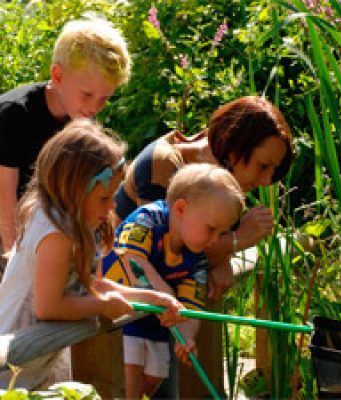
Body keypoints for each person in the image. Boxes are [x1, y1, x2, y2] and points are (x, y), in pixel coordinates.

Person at [0, 119, 184, 390]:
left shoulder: (80, 225)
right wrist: (102, 305)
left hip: (43, 357)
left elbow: (90, 287)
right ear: (72, 190)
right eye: (103, 198)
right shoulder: (55, 232)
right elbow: (48, 306)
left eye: (113, 196)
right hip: (13, 366)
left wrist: (151, 297)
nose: (112, 206)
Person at [114, 96, 293, 299]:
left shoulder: (223, 181)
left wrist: (223, 258)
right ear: (234, 149)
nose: (266, 180)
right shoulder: (163, 164)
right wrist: (237, 240)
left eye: (273, 170)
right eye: (262, 166)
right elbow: (164, 262)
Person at [0, 17, 131, 277]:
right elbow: (5, 200)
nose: (94, 108)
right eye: (87, 95)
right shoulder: (14, 116)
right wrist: (16, 263)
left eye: (104, 99)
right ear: (57, 76)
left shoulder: (80, 118)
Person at [102, 163, 245, 399]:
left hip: (155, 324)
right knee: (129, 380)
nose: (214, 240)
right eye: (211, 229)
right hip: (120, 316)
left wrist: (186, 338)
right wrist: (165, 295)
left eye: (222, 233)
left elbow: (190, 308)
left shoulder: (196, 260)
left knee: (155, 377)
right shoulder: (148, 219)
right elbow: (131, 258)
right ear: (180, 208)